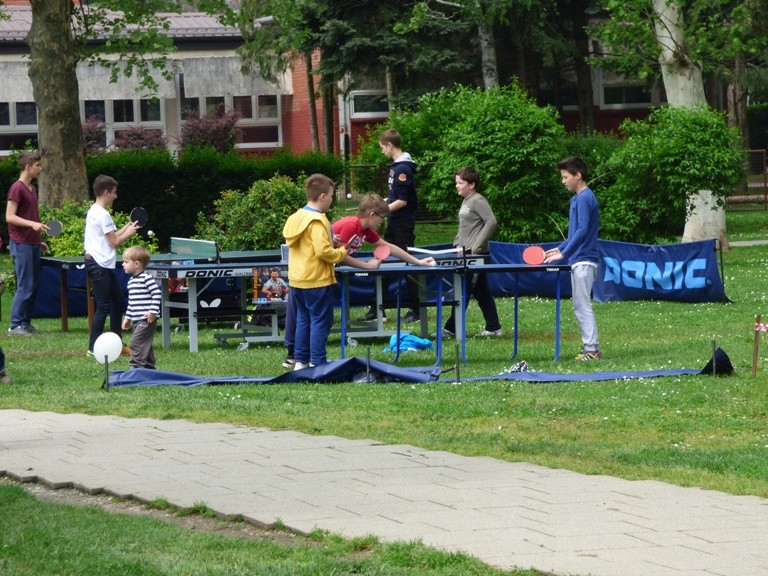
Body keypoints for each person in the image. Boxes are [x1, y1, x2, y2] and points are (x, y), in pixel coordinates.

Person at [281, 194, 436, 369]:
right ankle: (314, 361)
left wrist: (418, 261)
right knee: (318, 320)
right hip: (315, 276)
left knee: (307, 318)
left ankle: (302, 360)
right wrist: (366, 265)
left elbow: (388, 247)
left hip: (306, 276)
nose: (382, 222)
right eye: (381, 218)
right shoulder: (351, 225)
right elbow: (341, 255)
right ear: (372, 215)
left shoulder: (365, 230)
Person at [282, 173, 349, 370]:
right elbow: (323, 252)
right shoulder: (318, 220)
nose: (332, 200)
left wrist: (329, 240)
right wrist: (342, 252)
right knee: (320, 321)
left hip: (298, 280)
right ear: (323, 197)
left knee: (303, 320)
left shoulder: (296, 218)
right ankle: (318, 361)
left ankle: (301, 361)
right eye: (331, 196)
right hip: (317, 280)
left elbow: (308, 244)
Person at [543, 156, 601, 361]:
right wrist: (559, 248)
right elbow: (575, 233)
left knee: (582, 305)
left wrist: (564, 253)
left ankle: (592, 349)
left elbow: (583, 230)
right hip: (577, 258)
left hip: (584, 259)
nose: (563, 181)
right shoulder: (576, 199)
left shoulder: (585, 197)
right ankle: (590, 347)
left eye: (566, 177)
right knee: (579, 305)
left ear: (578, 175)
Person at [361, 128, 421, 324]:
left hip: (402, 223)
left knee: (408, 262)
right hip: (394, 222)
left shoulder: (403, 169)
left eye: (382, 147)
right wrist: (380, 204)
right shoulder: (395, 167)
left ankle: (415, 308)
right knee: (383, 258)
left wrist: (381, 212)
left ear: (389, 145)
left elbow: (402, 201)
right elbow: (393, 198)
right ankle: (377, 308)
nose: (382, 151)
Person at [440, 166, 502, 339]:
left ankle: (450, 329)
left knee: (464, 290)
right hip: (465, 254)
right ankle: (494, 327)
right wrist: (457, 243)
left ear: (472, 184)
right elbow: (465, 227)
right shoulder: (466, 201)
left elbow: (491, 221)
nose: (457, 186)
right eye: (456, 183)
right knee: (481, 292)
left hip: (476, 256)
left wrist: (476, 246)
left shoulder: (478, 200)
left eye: (460, 183)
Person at [84, 174, 140, 356]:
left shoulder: (94, 210)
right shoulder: (104, 214)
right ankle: (92, 348)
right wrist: (129, 233)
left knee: (118, 301)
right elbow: (114, 242)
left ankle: (117, 344)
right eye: (114, 193)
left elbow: (111, 235)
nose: (115, 196)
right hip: (99, 264)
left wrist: (127, 227)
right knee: (103, 306)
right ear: (106, 192)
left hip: (98, 263)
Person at [6, 151, 49, 335]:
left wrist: (38, 241)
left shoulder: (32, 189)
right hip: (20, 242)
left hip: (32, 242)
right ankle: (15, 325)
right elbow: (10, 217)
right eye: (38, 165)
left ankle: (25, 323)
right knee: (25, 284)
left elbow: (31, 216)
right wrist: (32, 225)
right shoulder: (17, 188)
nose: (41, 168)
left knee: (34, 284)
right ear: (28, 167)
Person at [121, 245, 161, 369]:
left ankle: (136, 366)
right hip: (136, 319)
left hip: (146, 318)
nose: (123, 264)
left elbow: (157, 293)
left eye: (126, 262)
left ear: (136, 264)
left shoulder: (146, 278)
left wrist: (152, 311)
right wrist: (127, 318)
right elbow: (132, 302)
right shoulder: (131, 281)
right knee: (144, 342)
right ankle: (149, 367)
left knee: (137, 342)